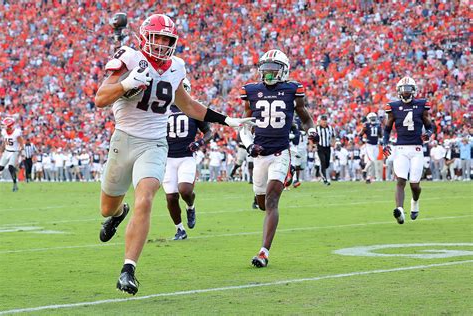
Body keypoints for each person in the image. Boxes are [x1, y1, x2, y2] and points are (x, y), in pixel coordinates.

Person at [94, 14, 252, 295]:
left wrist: (227, 120)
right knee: (107, 208)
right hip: (124, 138)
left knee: (145, 198)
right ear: (145, 37)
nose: (163, 45)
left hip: (154, 143)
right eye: (158, 38)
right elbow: (100, 98)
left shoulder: (176, 66)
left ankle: (128, 269)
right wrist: (127, 84)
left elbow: (189, 105)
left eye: (168, 39)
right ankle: (119, 215)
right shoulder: (129, 57)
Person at [239, 49, 317, 268]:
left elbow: (306, 118)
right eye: (265, 70)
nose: (269, 75)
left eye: (273, 71)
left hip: (280, 153)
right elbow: (245, 125)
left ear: (284, 70)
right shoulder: (252, 91)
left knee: (273, 201)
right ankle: (279, 182)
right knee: (262, 203)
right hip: (259, 155)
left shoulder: (293, 89)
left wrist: (312, 131)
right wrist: (249, 145)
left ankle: (263, 252)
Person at [163, 78, 212, 240]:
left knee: (185, 190)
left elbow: (209, 133)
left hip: (186, 157)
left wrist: (198, 143)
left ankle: (191, 206)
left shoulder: (193, 108)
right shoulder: (161, 109)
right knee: (171, 197)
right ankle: (180, 229)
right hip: (167, 158)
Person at [382, 76, 433, 224]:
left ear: (414, 90)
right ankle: (399, 210)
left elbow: (429, 126)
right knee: (400, 180)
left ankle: (415, 202)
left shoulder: (421, 105)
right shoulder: (393, 107)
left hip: (417, 148)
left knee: (415, 185)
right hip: (400, 149)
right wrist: (385, 143)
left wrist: (428, 134)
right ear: (399, 91)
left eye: (408, 89)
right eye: (403, 89)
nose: (406, 92)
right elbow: (387, 129)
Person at [0, 117, 24, 192]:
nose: (3, 126)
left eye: (5, 125)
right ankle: (15, 171)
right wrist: (1, 151)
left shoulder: (16, 133)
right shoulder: (4, 132)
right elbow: (4, 142)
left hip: (14, 151)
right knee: (0, 168)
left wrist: (20, 152)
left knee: (10, 167)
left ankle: (15, 184)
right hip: (7, 151)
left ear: (10, 126)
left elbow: (21, 143)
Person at [359, 112, 382, 183]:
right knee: (372, 160)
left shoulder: (378, 125)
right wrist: (363, 139)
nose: (373, 119)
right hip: (369, 145)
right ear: (369, 119)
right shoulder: (366, 125)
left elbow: (380, 135)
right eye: (372, 118)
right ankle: (367, 172)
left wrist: (380, 139)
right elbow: (360, 134)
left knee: (372, 160)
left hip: (375, 145)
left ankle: (367, 175)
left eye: (374, 118)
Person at [315, 115, 335, 185]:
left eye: (325, 121)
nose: (324, 122)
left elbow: (333, 136)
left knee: (327, 164)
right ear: (320, 121)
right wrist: (314, 145)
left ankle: (319, 171)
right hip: (320, 147)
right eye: (323, 121)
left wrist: (333, 143)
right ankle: (324, 179)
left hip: (328, 147)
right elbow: (313, 137)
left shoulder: (330, 128)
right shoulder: (317, 129)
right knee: (323, 162)